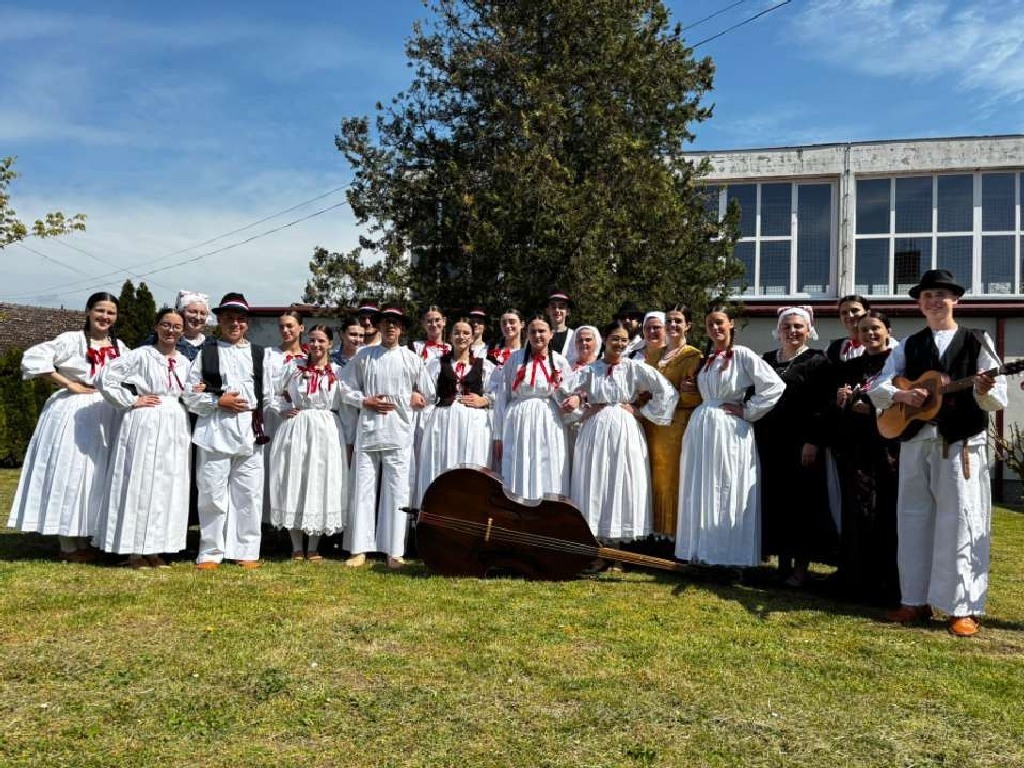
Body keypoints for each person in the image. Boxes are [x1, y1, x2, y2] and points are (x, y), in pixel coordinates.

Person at [868, 269, 1007, 637]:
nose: (934, 301)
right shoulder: (908, 345)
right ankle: (914, 600)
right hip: (916, 441)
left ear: (955, 299)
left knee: (960, 521)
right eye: (927, 295)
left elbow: (998, 396)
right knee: (913, 519)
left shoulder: (977, 340)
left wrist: (982, 389)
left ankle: (962, 607)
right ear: (919, 303)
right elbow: (878, 386)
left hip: (959, 443)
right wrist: (901, 394)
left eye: (941, 295)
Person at [8, 292, 127, 562]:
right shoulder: (71, 340)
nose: (105, 316)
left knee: (95, 476)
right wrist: (67, 383)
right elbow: (33, 357)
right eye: (100, 310)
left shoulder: (119, 346)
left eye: (110, 312)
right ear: (88, 311)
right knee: (71, 472)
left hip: (106, 412)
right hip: (74, 411)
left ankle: (85, 538)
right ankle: (68, 544)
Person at [675, 306, 785, 567]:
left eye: (719, 322)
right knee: (702, 486)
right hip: (702, 427)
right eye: (710, 324)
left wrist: (748, 410)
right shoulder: (707, 360)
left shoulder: (742, 355)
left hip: (728, 430)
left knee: (726, 485)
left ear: (731, 324)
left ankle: (728, 556)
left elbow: (774, 385)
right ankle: (701, 551)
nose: (715, 328)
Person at [93, 308, 192, 568]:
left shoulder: (184, 362)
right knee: (140, 479)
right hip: (146, 420)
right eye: (166, 325)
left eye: (177, 327)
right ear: (156, 327)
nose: (171, 331)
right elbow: (104, 377)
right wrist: (131, 400)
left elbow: (190, 391)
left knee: (167, 483)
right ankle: (134, 550)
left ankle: (156, 548)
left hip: (174, 424)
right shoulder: (141, 355)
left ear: (182, 331)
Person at [341, 306, 433, 569]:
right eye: (386, 322)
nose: (390, 327)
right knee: (362, 489)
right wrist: (364, 400)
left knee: (397, 491)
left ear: (402, 328)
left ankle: (394, 551)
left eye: (395, 323)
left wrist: (415, 396)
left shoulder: (411, 359)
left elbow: (429, 395)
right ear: (378, 326)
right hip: (369, 431)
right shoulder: (364, 356)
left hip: (399, 433)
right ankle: (359, 549)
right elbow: (344, 387)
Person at [568, 322, 677, 544]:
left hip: (625, 429)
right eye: (615, 339)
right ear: (605, 340)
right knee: (596, 475)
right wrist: (582, 410)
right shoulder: (591, 370)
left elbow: (666, 391)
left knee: (623, 475)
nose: (619, 343)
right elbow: (561, 392)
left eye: (624, 340)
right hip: (595, 430)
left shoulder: (634, 367)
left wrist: (642, 412)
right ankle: (594, 537)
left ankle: (619, 540)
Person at [183, 292, 266, 570]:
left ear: (247, 323)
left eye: (240, 319)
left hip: (250, 432)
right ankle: (210, 552)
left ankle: (245, 550)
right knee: (212, 493)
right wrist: (217, 401)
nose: (235, 324)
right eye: (229, 318)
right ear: (219, 321)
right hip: (215, 430)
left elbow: (272, 392)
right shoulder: (206, 353)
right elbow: (190, 395)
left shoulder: (260, 354)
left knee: (248, 493)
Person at [756, 306, 836, 587]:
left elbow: (824, 405)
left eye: (798, 326)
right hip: (771, 441)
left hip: (802, 444)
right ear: (778, 330)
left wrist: (813, 440)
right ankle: (782, 566)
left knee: (802, 506)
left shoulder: (818, 361)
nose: (792, 331)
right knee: (776, 502)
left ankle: (801, 570)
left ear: (808, 330)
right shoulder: (767, 360)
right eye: (787, 326)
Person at [830, 310, 900, 605]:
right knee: (857, 511)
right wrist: (842, 402)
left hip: (888, 447)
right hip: (857, 448)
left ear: (887, 331)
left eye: (875, 328)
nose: (870, 334)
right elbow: (841, 405)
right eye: (864, 330)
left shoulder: (897, 361)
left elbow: (901, 401)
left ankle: (887, 582)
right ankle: (856, 578)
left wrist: (871, 409)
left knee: (886, 512)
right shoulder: (852, 366)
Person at [269, 325, 351, 560]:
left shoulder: (339, 371)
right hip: (298, 427)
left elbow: (346, 404)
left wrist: (348, 437)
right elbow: (273, 392)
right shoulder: (293, 367)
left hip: (327, 429)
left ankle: (313, 545)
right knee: (295, 479)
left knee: (320, 480)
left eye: (321, 341)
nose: (316, 345)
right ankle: (296, 546)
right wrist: (283, 409)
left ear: (330, 344)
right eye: (312, 340)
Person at [493, 314, 575, 499]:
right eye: (533, 331)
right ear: (527, 334)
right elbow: (502, 397)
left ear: (551, 334)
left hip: (549, 421)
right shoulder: (514, 360)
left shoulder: (559, 361)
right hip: (518, 420)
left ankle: (548, 507)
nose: (537, 335)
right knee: (518, 463)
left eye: (542, 331)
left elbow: (569, 395)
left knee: (549, 466)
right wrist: (498, 435)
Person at [417, 318, 496, 501]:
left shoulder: (484, 365)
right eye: (457, 333)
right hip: (443, 421)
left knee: (472, 463)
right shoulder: (437, 364)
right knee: (442, 462)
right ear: (450, 337)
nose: (461, 336)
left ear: (472, 337)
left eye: (466, 333)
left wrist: (485, 399)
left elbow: (498, 392)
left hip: (475, 424)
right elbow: (426, 393)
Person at [643, 305, 703, 547]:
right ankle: (650, 532)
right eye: (669, 321)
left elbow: (692, 397)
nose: (673, 325)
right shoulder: (654, 355)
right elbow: (644, 388)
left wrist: (677, 394)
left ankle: (670, 537)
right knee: (651, 477)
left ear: (688, 325)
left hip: (675, 427)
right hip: (651, 425)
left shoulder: (693, 356)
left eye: (678, 321)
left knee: (670, 478)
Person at [262, 310, 306, 520]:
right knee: (272, 466)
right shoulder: (269, 355)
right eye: (282, 326)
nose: (285, 330)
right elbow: (265, 388)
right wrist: (278, 408)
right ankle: (269, 518)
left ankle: (293, 517)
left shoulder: (308, 357)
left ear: (301, 328)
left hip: (298, 419)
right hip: (273, 417)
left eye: (290, 326)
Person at [826, 294, 871, 364]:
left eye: (854, 310)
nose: (850, 315)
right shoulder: (834, 347)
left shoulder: (880, 344)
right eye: (844, 313)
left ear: (867, 312)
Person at [545, 290, 578, 365]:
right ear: (547, 311)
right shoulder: (539, 335)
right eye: (553, 307)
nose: (557, 310)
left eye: (561, 307)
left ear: (568, 311)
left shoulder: (575, 336)